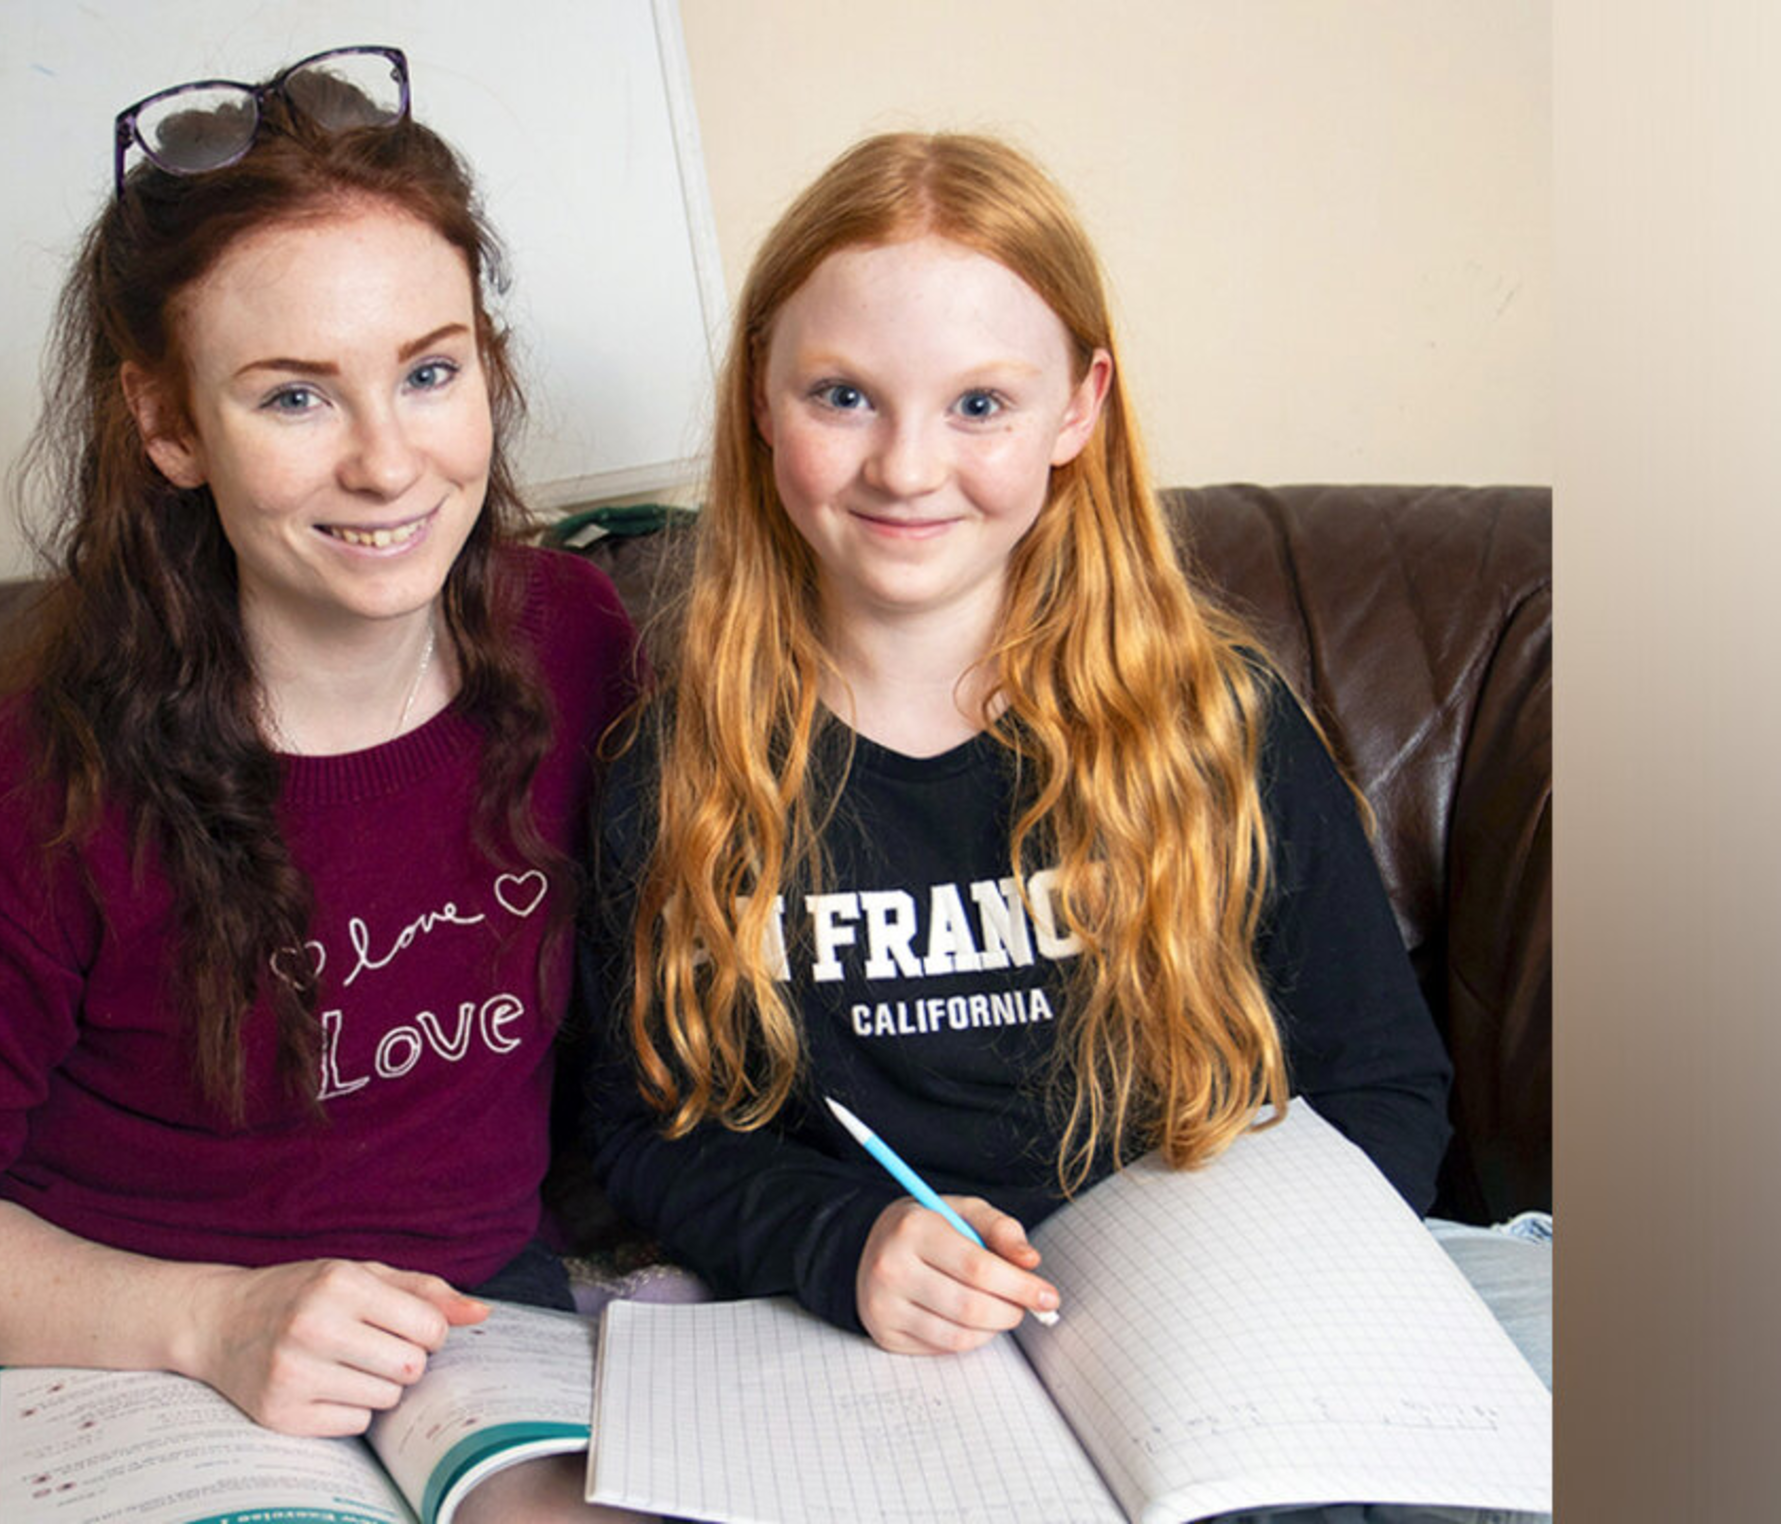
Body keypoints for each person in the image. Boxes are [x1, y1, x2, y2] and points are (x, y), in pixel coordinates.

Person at [579, 131, 1549, 1518]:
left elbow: (1382, 1084)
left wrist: (1268, 1280)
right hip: (882, 1371)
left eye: (980, 403)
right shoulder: (675, 767)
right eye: (843, 396)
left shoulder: (1216, 726)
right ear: (758, 402)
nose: (907, 466)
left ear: (1078, 409)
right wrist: (844, 1242)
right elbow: (644, 1130)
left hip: (1227, 1350)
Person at [0, 48, 643, 1524]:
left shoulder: (574, 640)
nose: (387, 463)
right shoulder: (45, 784)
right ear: (169, 425)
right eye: (294, 397)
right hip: (105, 1346)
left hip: (466, 1329)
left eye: (429, 372)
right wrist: (214, 1322)